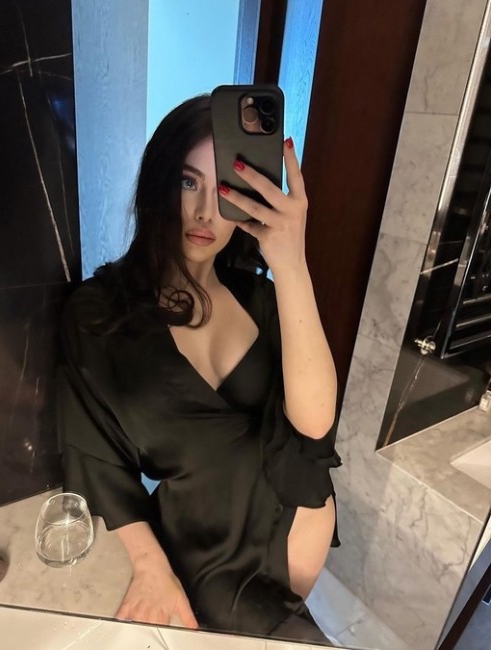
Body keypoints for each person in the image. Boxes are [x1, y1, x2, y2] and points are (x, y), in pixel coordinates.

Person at [57, 94, 341, 643]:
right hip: (208, 563)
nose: (207, 211)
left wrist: (291, 263)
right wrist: (150, 565)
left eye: (225, 188)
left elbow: (314, 428)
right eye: (189, 182)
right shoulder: (98, 313)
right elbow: (92, 455)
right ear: (158, 185)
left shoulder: (263, 299)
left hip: (296, 538)